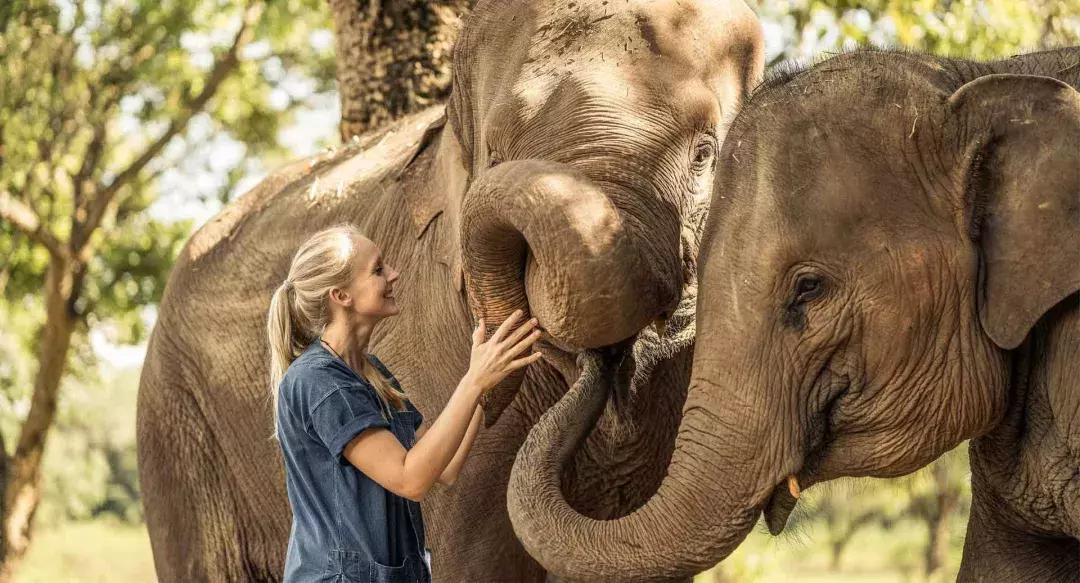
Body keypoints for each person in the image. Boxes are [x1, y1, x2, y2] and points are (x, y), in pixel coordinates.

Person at [266, 223, 543, 582]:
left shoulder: (370, 372)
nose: (394, 275)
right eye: (378, 270)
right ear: (341, 295)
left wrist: (484, 383)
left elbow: (445, 467)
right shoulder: (320, 383)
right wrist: (474, 381)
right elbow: (410, 479)